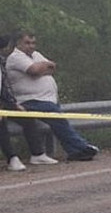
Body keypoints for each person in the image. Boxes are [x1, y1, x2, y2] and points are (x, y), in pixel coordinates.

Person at [5, 31, 100, 161]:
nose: (31, 46)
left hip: (46, 99)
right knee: (58, 118)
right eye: (27, 43)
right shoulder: (16, 57)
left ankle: (75, 151)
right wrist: (41, 69)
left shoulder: (35, 55)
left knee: (58, 121)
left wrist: (40, 69)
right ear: (18, 43)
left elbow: (52, 67)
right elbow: (35, 70)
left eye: (33, 43)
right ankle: (81, 147)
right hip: (29, 101)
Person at [0, 34, 25, 171]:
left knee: (27, 118)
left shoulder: (2, 62)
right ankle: (12, 157)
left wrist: (13, 103)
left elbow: (4, 86)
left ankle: (37, 153)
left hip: (3, 102)